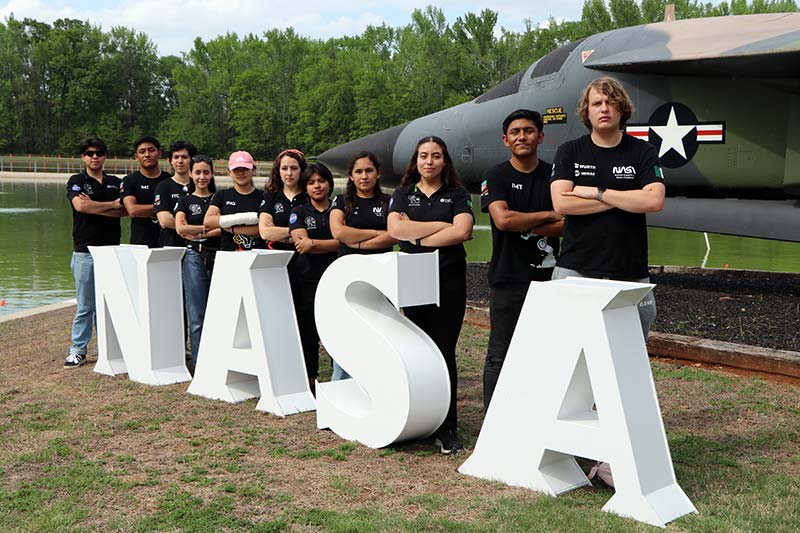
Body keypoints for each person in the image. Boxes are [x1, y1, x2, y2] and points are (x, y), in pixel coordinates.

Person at [550, 76, 665, 339]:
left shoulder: (642, 151)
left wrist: (598, 193)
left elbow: (654, 201)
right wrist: (625, 199)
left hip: (630, 274)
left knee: (630, 351)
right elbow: (562, 203)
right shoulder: (570, 152)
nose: (604, 108)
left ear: (622, 109)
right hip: (576, 270)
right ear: (586, 111)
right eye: (597, 103)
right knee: (569, 347)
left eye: (612, 102)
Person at [387, 136, 474, 454]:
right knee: (417, 350)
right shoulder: (403, 193)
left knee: (444, 350)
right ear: (416, 161)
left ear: (444, 161)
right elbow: (396, 230)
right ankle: (419, 419)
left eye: (436, 156)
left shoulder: (458, 194)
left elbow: (462, 231)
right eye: (424, 156)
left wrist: (419, 236)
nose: (429, 161)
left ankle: (447, 426)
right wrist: (440, 227)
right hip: (414, 280)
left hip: (449, 280)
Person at [481, 109, 564, 411]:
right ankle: (493, 427)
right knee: (499, 355)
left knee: (547, 354)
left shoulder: (555, 174)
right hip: (508, 279)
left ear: (541, 136)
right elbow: (502, 220)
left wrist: (524, 221)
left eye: (529, 131)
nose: (522, 137)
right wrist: (547, 215)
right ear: (506, 140)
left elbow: (569, 224)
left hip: (551, 280)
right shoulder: (496, 175)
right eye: (515, 132)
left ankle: (538, 420)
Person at [329, 151, 396, 380]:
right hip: (348, 275)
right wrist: (376, 234)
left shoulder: (389, 201)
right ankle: (341, 384)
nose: (364, 176)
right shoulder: (341, 201)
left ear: (378, 173)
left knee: (380, 331)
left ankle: (376, 383)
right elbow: (338, 232)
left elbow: (395, 235)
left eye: (369, 170)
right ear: (351, 175)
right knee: (346, 332)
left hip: (381, 277)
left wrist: (356, 240)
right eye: (358, 171)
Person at [64, 136, 127, 368]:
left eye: (99, 153)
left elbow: (124, 211)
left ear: (105, 156)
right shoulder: (77, 180)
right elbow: (80, 206)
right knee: (86, 305)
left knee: (108, 304)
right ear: (83, 157)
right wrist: (111, 204)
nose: (95, 157)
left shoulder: (115, 182)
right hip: (85, 252)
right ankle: (77, 349)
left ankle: (108, 350)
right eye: (90, 153)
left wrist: (96, 207)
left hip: (111, 251)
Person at [288, 163, 339, 393]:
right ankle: (310, 380)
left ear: (329, 184)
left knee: (336, 328)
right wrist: (331, 244)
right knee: (308, 331)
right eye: (311, 182)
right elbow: (301, 245)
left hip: (336, 276)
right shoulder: (299, 212)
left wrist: (314, 243)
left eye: (321, 181)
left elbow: (345, 241)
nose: (317, 186)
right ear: (305, 187)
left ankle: (341, 378)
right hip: (306, 279)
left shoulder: (340, 210)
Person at [175, 155, 221, 370]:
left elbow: (227, 228)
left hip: (219, 255)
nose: (202, 177)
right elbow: (180, 229)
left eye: (206, 172)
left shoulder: (219, 198)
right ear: (191, 174)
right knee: (196, 312)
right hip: (193, 256)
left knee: (218, 310)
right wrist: (208, 229)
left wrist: (202, 231)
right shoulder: (185, 200)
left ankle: (218, 360)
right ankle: (200, 362)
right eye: (197, 172)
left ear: (211, 174)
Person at [204, 151, 265, 252]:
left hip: (257, 255)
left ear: (253, 170)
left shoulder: (264, 197)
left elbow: (264, 228)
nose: (241, 173)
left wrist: (231, 228)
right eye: (236, 169)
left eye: (245, 169)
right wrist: (250, 221)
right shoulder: (222, 195)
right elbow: (208, 222)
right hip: (228, 255)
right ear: (229, 172)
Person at [120, 136, 171, 247]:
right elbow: (133, 210)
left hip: (169, 243)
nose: (147, 155)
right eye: (142, 152)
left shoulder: (170, 180)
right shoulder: (129, 180)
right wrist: (163, 208)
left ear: (159, 153)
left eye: (151, 150)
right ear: (136, 156)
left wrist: (146, 210)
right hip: (140, 244)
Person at [258, 148, 308, 250]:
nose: (289, 173)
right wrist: (299, 232)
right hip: (276, 255)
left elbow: (318, 230)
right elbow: (265, 232)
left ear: (302, 170)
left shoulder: (310, 196)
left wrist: (279, 233)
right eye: (284, 168)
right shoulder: (271, 196)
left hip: (306, 256)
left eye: (294, 168)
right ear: (278, 171)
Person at [154, 140, 198, 247]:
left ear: (192, 160)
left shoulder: (201, 185)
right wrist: (195, 229)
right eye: (176, 157)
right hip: (171, 246)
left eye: (184, 157)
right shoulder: (163, 186)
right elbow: (164, 219)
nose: (180, 161)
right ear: (170, 161)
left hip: (199, 247)